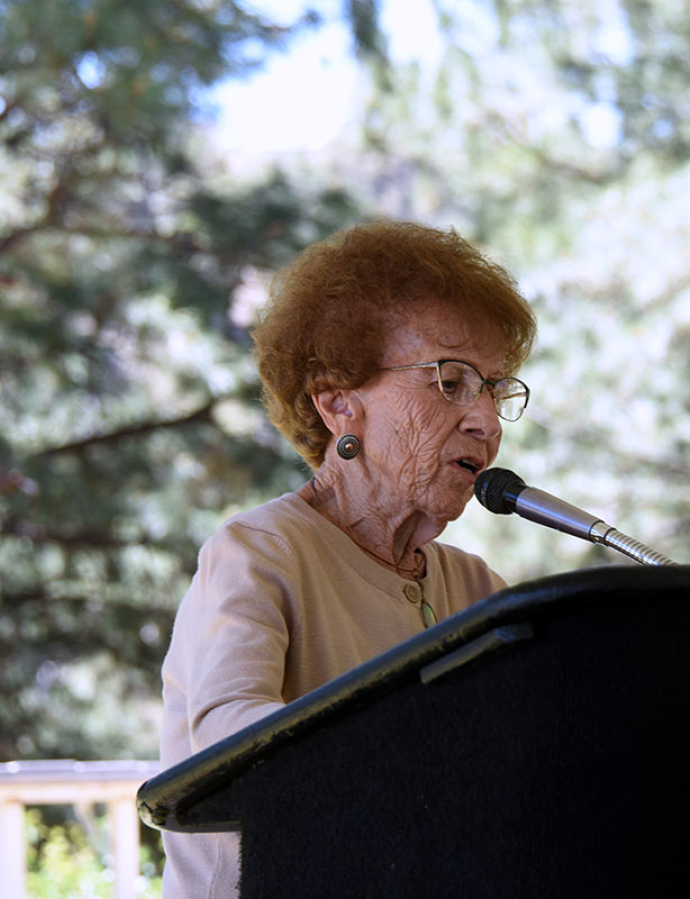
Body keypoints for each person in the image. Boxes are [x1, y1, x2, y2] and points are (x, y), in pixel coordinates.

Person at [157, 220, 537, 897]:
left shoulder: (479, 589)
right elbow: (228, 751)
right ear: (338, 404)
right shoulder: (258, 554)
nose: (487, 420)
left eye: (497, 389)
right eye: (451, 382)